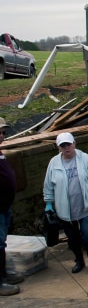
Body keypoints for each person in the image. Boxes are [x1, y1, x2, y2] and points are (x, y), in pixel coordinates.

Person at [43, 132, 88, 274]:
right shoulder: (54, 163)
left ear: (74, 143)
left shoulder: (84, 158)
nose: (67, 148)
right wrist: (48, 202)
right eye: (63, 145)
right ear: (58, 147)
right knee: (73, 238)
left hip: (85, 206)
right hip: (65, 210)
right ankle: (79, 260)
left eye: (69, 144)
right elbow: (48, 184)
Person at [0, 117, 24, 296]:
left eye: (3, 132)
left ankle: (4, 275)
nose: (2, 136)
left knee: (2, 243)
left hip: (5, 206)